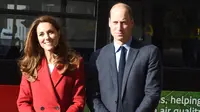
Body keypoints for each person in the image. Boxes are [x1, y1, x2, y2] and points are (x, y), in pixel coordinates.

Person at [86, 2, 162, 112]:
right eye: (115, 22)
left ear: (132, 23)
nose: (119, 28)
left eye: (123, 22)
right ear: (109, 23)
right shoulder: (98, 56)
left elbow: (152, 93)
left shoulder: (149, 53)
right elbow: (92, 94)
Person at [16, 15, 85, 112]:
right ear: (37, 39)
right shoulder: (30, 65)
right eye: (41, 34)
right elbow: (23, 102)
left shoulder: (74, 63)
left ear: (58, 33)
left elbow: (79, 100)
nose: (46, 37)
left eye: (50, 32)